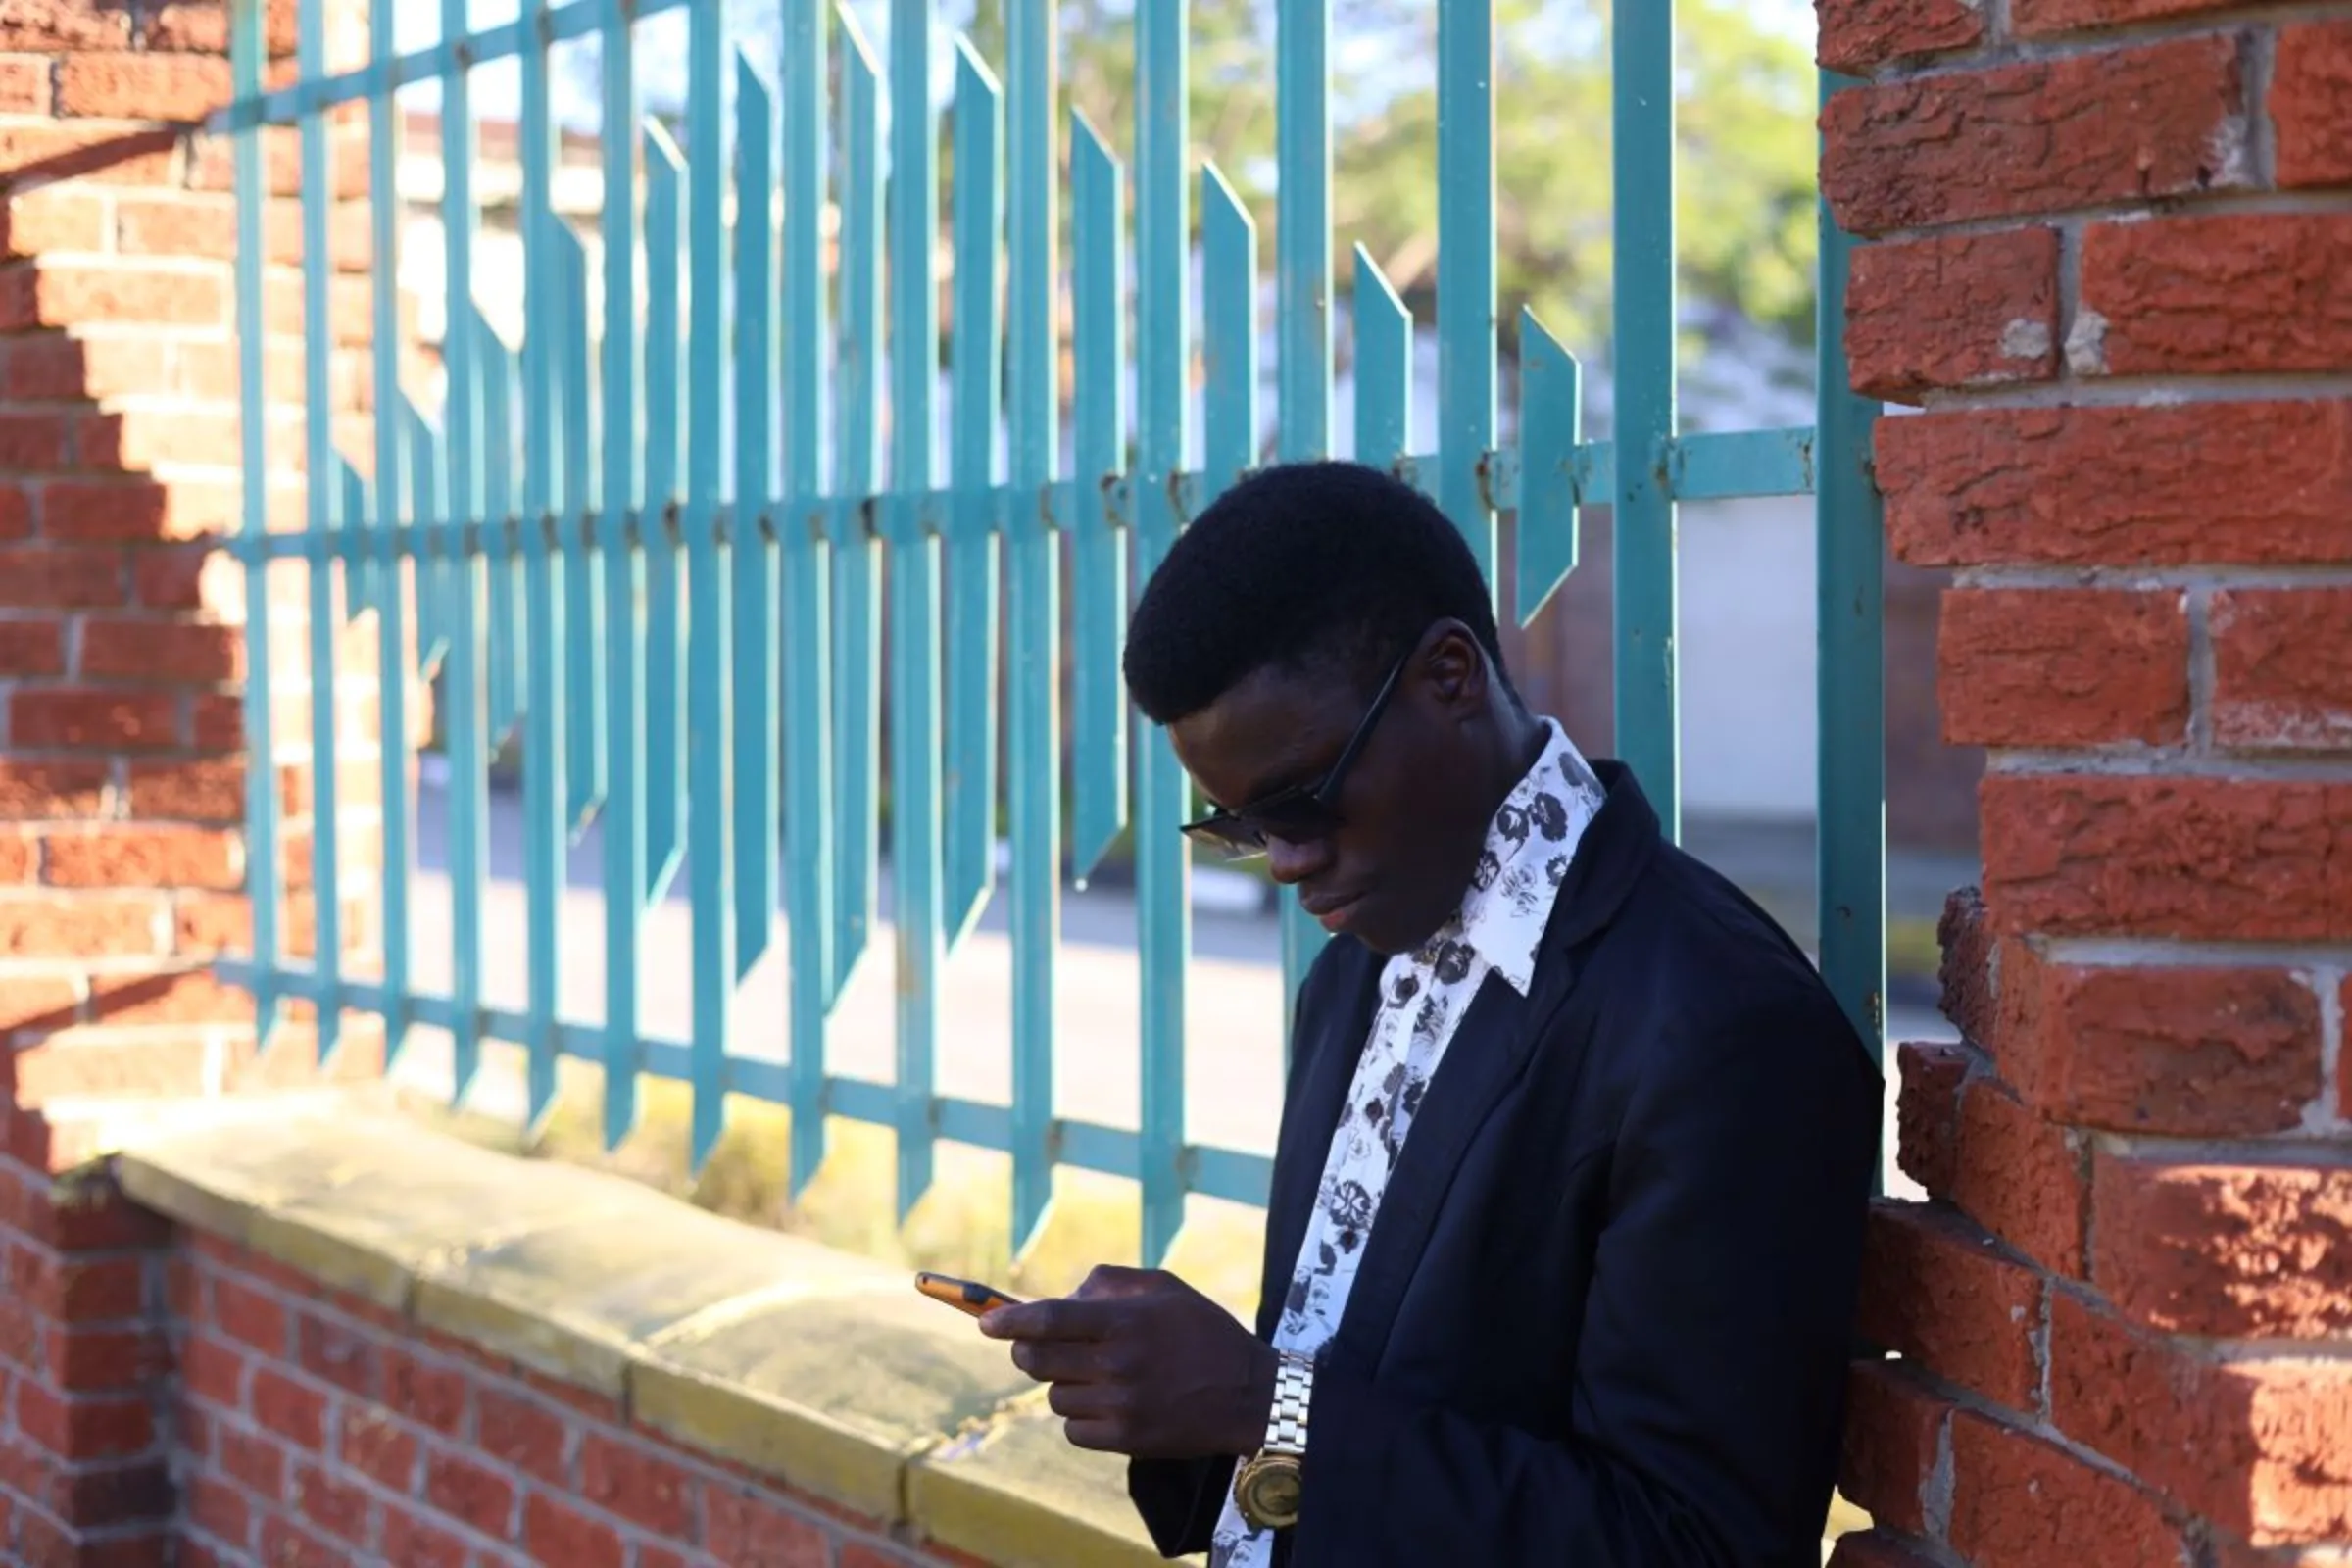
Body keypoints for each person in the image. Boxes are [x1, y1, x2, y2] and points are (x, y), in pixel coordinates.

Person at [978, 460, 1882, 1566]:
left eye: (1305, 798)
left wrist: (1262, 1403)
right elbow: (1352, 1417)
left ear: (1450, 674)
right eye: (1244, 826)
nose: (1288, 861)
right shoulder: (1358, 963)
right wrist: (1183, 1397)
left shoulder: (1723, 1029)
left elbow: (1690, 1545)